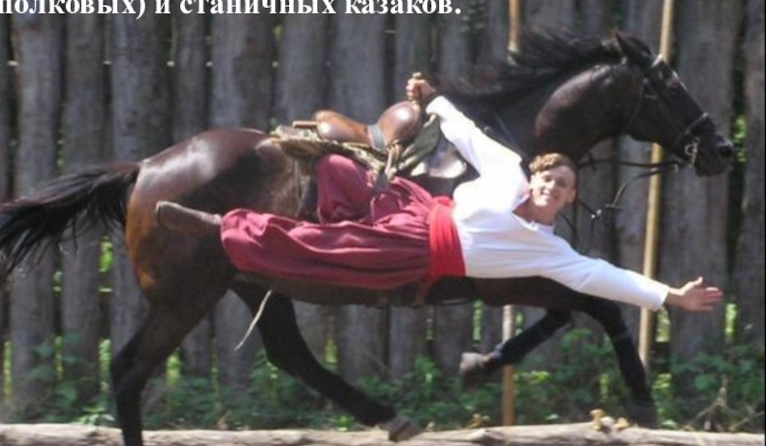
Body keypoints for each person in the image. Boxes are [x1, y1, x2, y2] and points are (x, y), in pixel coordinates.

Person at [155, 76, 723, 314]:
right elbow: (467, 135)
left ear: (571, 200)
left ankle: (219, 228)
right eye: (548, 178)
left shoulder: (550, 252)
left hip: (418, 252)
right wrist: (433, 99)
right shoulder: (507, 172)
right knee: (333, 164)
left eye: (563, 186)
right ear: (535, 178)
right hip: (411, 204)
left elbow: (604, 277)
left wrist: (671, 297)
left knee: (322, 249)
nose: (551, 187)